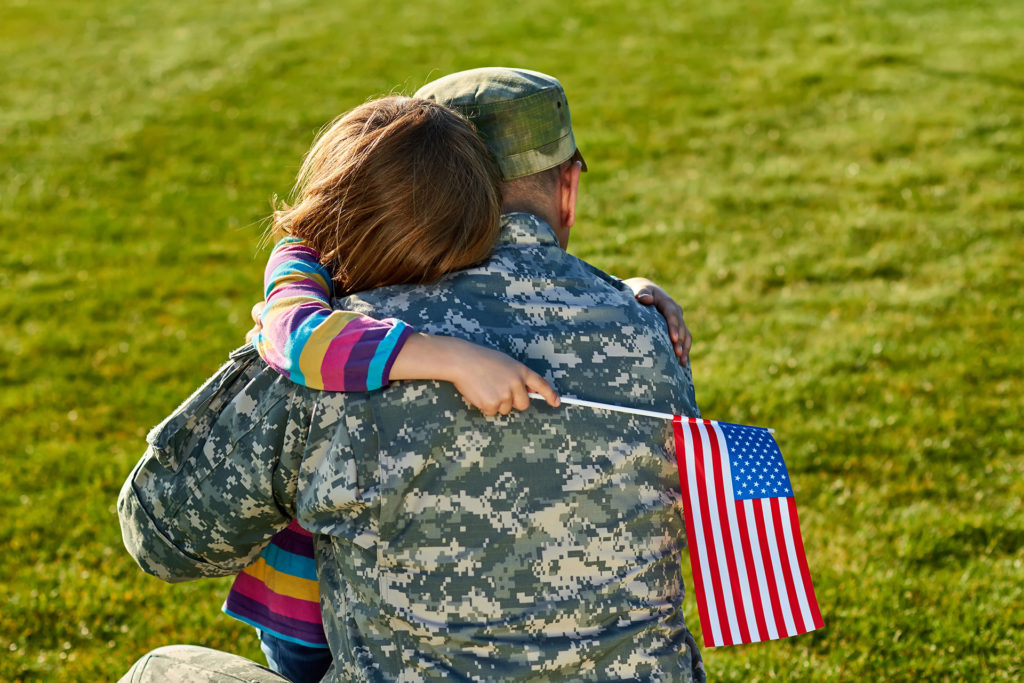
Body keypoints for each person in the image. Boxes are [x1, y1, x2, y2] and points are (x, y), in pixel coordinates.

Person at [119, 67, 705, 681]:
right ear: (569, 189)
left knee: (165, 670)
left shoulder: (342, 345)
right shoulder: (648, 330)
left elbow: (160, 533)